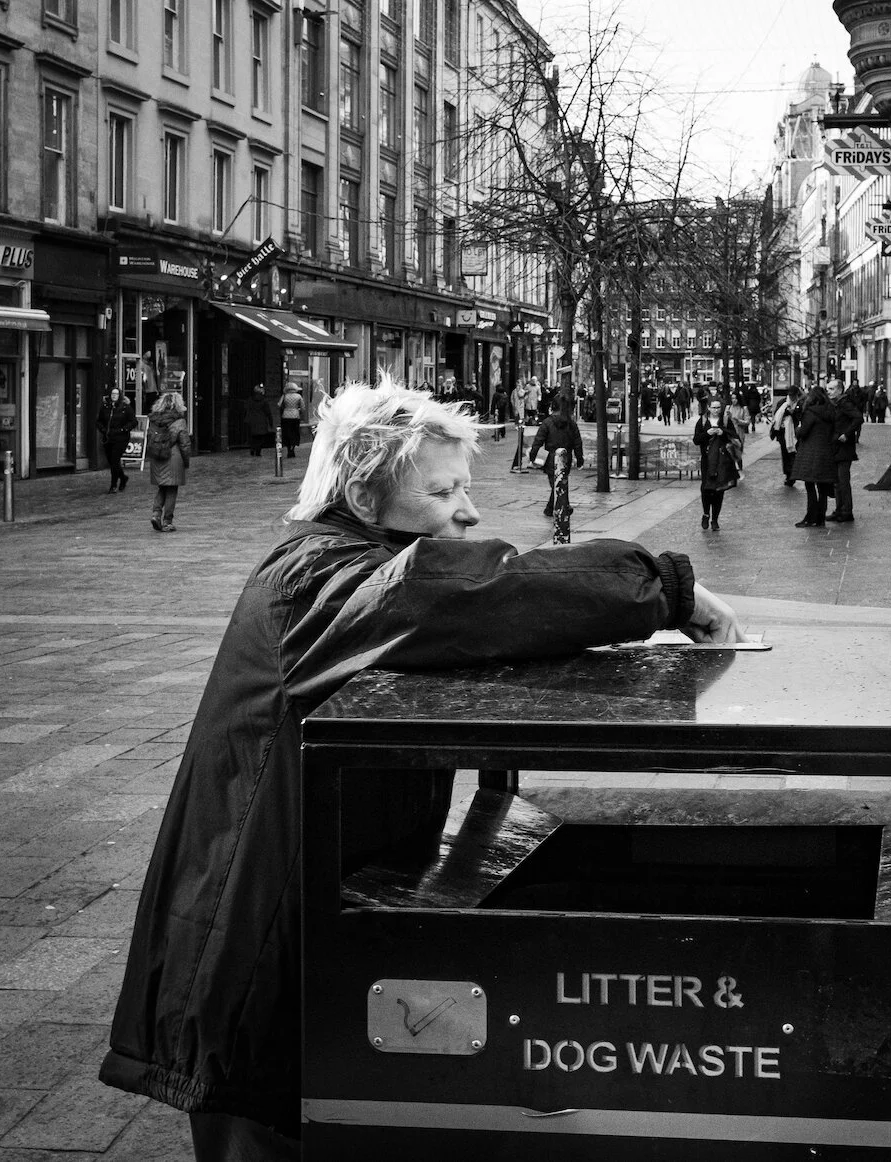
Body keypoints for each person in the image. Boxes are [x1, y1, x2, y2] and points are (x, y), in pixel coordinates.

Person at [100, 380, 743, 1161]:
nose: (467, 510)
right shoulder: (318, 579)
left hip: (309, 950)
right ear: (366, 493)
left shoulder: (347, 569)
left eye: (464, 488)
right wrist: (665, 588)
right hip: (255, 973)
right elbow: (459, 595)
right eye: (442, 491)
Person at [528, 395, 585, 517]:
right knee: (560, 483)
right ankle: (559, 506)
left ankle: (557, 507)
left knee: (555, 485)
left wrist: (533, 457)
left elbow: (538, 442)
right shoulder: (571, 424)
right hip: (566, 458)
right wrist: (579, 459)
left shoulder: (547, 423)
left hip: (550, 459)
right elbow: (577, 443)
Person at [791, 380, 837, 527]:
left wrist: (798, 429)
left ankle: (811, 516)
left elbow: (802, 432)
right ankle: (820, 517)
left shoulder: (810, 412)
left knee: (810, 485)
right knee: (823, 488)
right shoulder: (831, 411)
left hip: (811, 454)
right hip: (826, 453)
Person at [693, 395, 742, 530]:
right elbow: (696, 440)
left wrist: (723, 432)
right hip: (707, 461)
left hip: (722, 460)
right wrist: (707, 433)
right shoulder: (702, 421)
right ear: (708, 408)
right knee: (706, 488)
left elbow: (735, 437)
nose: (716, 410)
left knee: (719, 489)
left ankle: (715, 519)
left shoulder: (725, 421)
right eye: (713, 408)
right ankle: (706, 514)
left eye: (718, 408)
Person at [146, 391, 190, 532]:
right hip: (173, 457)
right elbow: (184, 444)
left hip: (157, 456)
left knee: (161, 487)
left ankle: (156, 514)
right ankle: (167, 521)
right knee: (171, 489)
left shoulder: (154, 420)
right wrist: (186, 461)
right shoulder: (179, 421)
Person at [828, 380, 863, 522]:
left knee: (843, 481)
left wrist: (847, 434)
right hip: (836, 447)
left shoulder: (845, 404)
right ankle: (839, 509)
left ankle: (847, 511)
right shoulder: (836, 404)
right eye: (828, 389)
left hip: (844, 448)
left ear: (839, 390)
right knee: (837, 481)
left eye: (831, 389)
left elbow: (858, 418)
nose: (829, 391)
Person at [96, 385, 136, 493]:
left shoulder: (125, 408)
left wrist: (124, 429)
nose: (114, 396)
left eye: (116, 394)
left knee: (114, 460)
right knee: (111, 461)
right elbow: (99, 421)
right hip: (108, 438)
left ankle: (113, 485)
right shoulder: (105, 407)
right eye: (112, 394)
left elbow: (133, 421)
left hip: (121, 438)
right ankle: (123, 478)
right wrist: (103, 429)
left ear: (120, 395)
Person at [771, 387, 800, 486]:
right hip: (783, 433)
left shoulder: (800, 403)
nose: (792, 397)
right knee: (785, 454)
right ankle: (789, 474)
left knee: (793, 454)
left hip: (795, 433)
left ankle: (793, 473)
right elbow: (776, 416)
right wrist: (786, 412)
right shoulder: (782, 403)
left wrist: (794, 413)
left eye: (794, 395)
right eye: (790, 395)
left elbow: (801, 416)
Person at [245, 384, 275, 457]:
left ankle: (252, 448)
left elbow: (247, 409)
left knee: (253, 436)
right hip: (261, 420)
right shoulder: (264, 401)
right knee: (260, 437)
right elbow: (268, 412)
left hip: (252, 420)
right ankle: (258, 451)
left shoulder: (250, 399)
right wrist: (271, 422)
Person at [279, 382, 305, 458]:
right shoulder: (298, 396)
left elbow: (279, 404)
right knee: (295, 432)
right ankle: (292, 448)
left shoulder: (284, 396)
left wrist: (285, 408)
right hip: (295, 415)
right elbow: (303, 407)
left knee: (287, 432)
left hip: (286, 416)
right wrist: (299, 411)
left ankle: (288, 448)